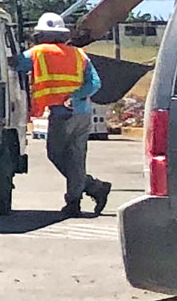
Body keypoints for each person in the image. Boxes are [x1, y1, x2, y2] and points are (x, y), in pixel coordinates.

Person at [22, 13, 111, 216]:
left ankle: (85, 193)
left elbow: (15, 63)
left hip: (62, 113)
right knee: (76, 158)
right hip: (83, 113)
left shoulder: (37, 53)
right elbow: (95, 83)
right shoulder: (80, 55)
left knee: (56, 154)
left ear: (40, 35)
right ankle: (82, 195)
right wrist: (76, 95)